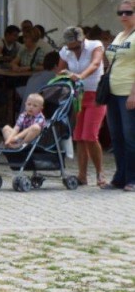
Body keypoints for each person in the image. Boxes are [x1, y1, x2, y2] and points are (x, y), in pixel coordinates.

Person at [56, 26, 107, 186]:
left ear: (83, 39)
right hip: (78, 95)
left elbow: (95, 64)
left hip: (96, 95)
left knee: (90, 136)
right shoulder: (65, 50)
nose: (74, 50)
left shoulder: (95, 45)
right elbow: (60, 70)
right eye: (71, 48)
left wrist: (79, 76)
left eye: (77, 47)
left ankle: (100, 173)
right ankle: (82, 175)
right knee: (79, 136)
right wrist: (63, 77)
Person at [102, 0, 135, 191]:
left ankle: (132, 178)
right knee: (116, 136)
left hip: (128, 91)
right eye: (120, 13)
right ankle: (119, 176)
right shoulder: (120, 35)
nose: (123, 16)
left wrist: (133, 93)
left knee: (131, 136)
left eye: (128, 12)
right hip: (113, 92)